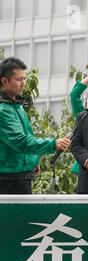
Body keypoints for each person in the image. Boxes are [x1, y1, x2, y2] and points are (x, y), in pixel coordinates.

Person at [0, 57, 71, 194]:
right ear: (4, 81)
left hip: (19, 174)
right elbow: (20, 141)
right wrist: (53, 143)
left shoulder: (15, 105)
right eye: (19, 79)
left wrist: (32, 161)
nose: (24, 83)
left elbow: (25, 138)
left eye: (24, 79)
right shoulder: (3, 110)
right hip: (9, 178)